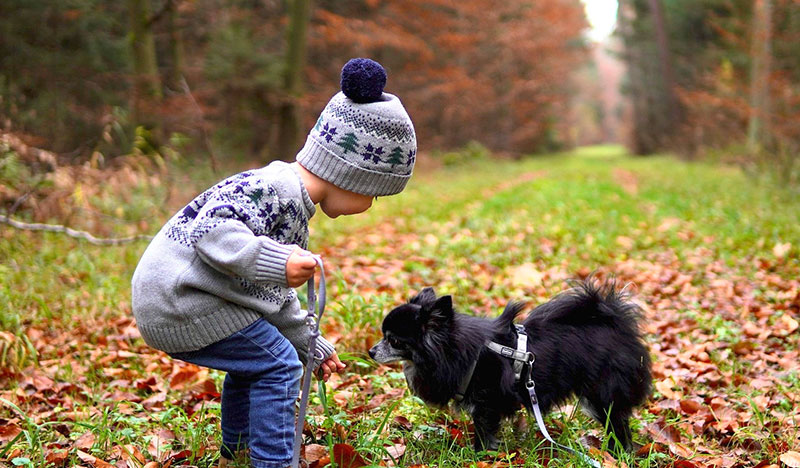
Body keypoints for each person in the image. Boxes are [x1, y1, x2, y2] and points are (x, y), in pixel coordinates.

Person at [131, 57, 416, 468]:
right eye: (374, 193)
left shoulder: (289, 199)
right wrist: (278, 261)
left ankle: (239, 452)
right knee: (279, 367)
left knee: (257, 362)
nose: (369, 206)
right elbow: (212, 231)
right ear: (352, 175)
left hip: (190, 300)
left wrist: (309, 342)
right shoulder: (274, 190)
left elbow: (265, 296)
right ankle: (272, 462)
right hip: (179, 301)